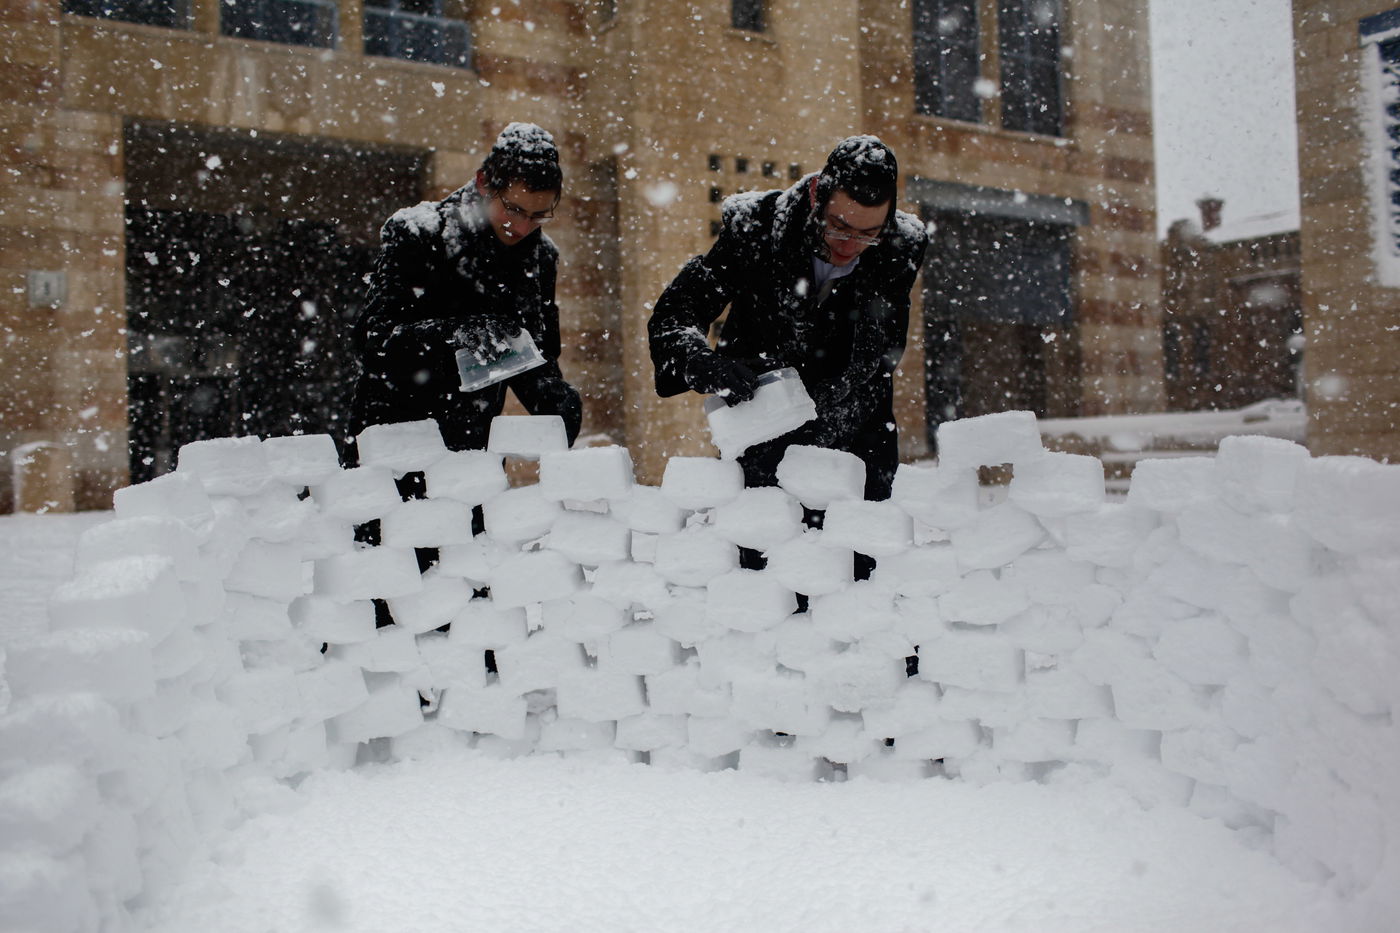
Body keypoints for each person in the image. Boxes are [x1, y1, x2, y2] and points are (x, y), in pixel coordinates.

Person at [648, 135, 928, 502]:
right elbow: (678, 310)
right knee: (763, 547)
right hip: (762, 427)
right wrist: (696, 359)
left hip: (856, 437)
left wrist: (824, 411)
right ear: (816, 196)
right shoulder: (756, 228)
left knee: (855, 553)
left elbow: (881, 352)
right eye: (838, 227)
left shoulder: (900, 246)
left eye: (867, 235)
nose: (849, 245)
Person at [348, 121, 582, 457]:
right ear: (483, 183)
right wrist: (457, 335)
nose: (522, 226)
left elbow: (530, 349)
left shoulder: (541, 256)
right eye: (513, 209)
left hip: (472, 452)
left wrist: (553, 397)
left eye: (538, 215)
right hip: (391, 443)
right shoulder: (420, 233)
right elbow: (373, 341)